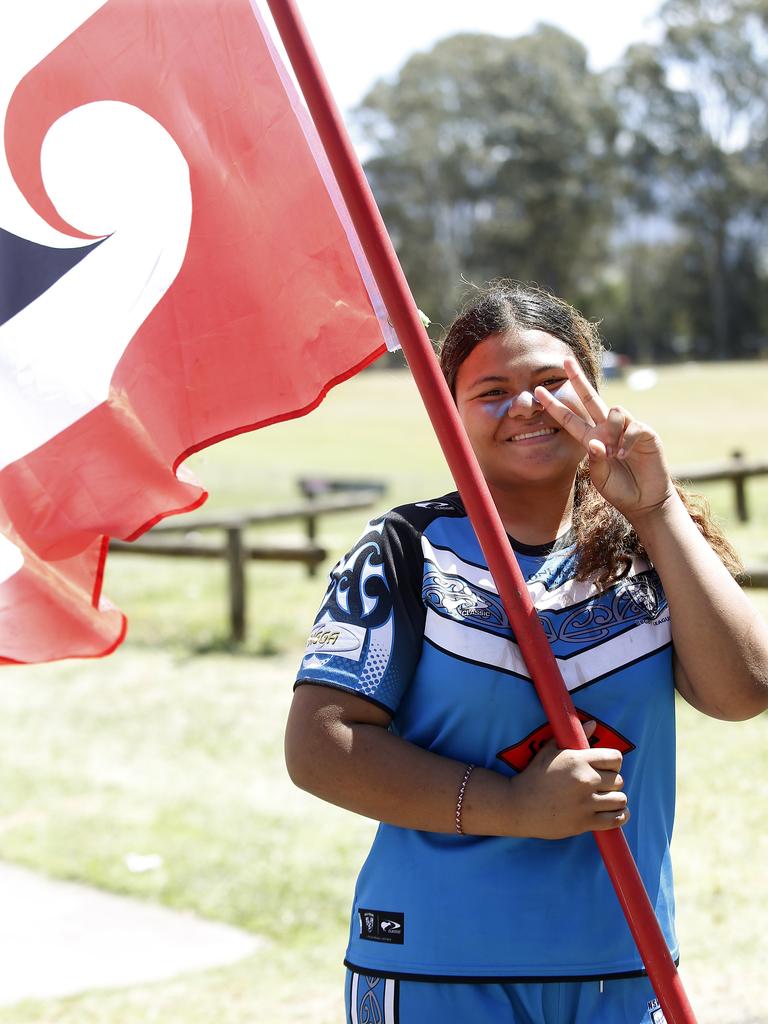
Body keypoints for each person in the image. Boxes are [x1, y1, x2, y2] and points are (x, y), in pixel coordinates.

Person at [285, 280, 768, 1024]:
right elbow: (320, 747)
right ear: (449, 412)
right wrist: (513, 805)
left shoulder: (648, 542)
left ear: (595, 392)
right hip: (438, 969)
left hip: (627, 965)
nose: (527, 406)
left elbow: (744, 691)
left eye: (552, 382)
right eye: (493, 390)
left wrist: (659, 509)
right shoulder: (404, 551)